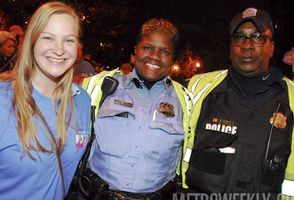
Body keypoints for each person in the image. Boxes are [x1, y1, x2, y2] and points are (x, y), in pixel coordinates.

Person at [181, 7, 294, 199]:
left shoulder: (291, 98)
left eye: (258, 37)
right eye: (239, 37)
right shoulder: (199, 87)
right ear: (230, 47)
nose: (247, 45)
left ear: (272, 47)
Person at [82, 18, 190, 200]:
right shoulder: (99, 88)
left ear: (172, 59)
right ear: (134, 53)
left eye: (164, 51)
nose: (155, 56)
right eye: (147, 47)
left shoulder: (186, 102)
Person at [0, 2, 91, 200]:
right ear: (32, 41)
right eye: (48, 38)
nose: (59, 50)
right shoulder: (3, 99)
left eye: (69, 40)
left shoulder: (82, 100)